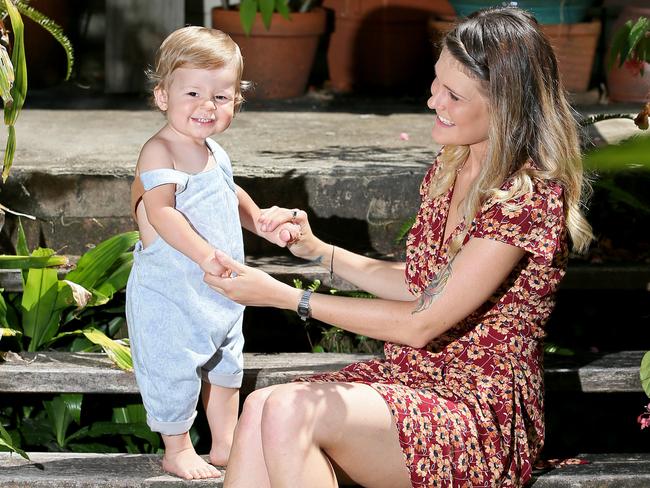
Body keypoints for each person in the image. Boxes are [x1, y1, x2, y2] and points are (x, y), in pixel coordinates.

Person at [205, 6, 593, 487]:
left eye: (453, 95)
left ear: (506, 106)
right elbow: (420, 286)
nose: (434, 101)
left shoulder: (526, 197)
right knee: (261, 405)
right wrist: (320, 251)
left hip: (475, 413)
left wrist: (288, 297)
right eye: (437, 83)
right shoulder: (452, 166)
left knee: (288, 409)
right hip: (412, 382)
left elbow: (422, 322)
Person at [125, 26, 299, 481]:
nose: (208, 106)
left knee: (226, 367)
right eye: (194, 93)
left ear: (236, 102)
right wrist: (204, 255)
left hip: (219, 292)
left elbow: (228, 191)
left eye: (221, 97)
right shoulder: (159, 150)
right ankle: (177, 448)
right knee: (173, 370)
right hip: (171, 292)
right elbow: (161, 212)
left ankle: (227, 442)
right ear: (163, 95)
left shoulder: (213, 151)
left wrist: (258, 217)